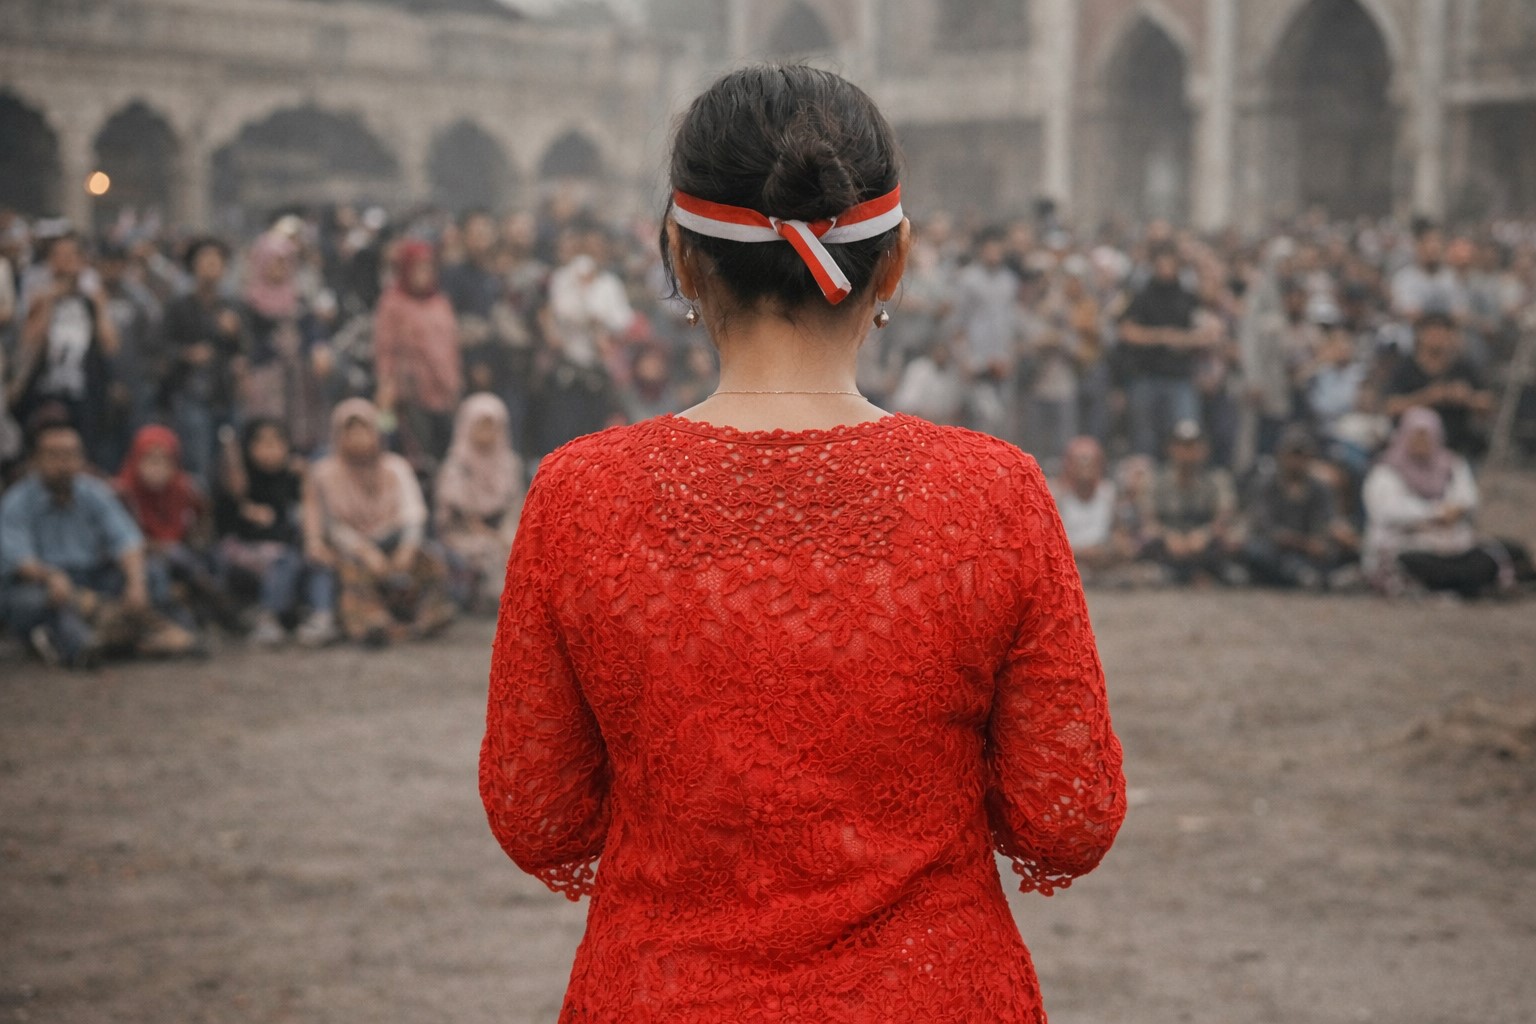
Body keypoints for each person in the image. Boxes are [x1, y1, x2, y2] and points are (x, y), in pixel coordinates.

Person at [481, 65, 1125, 1023]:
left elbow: (543, 815)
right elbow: (1065, 818)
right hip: (932, 992)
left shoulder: (581, 494)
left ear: (679, 258)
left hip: (661, 994)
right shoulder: (992, 494)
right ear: (896, 262)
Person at [0, 421, 196, 667]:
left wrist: (136, 583)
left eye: (71, 455)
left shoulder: (93, 492)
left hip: (92, 578)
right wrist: (49, 576)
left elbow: (127, 539)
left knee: (151, 573)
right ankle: (94, 643)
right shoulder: (16, 502)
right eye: (54, 456)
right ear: (35, 460)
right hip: (45, 581)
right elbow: (18, 559)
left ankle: (102, 636)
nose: (64, 464)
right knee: (36, 601)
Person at [302, 399, 455, 646]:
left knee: (431, 557)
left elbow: (413, 511)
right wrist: (365, 551)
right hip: (350, 546)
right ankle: (372, 622)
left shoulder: (395, 466)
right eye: (351, 433)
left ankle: (428, 617)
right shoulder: (324, 473)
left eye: (365, 431)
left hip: (394, 538)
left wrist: (407, 547)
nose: (359, 439)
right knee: (352, 569)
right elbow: (332, 525)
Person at [1361, 407, 1529, 598]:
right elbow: (1387, 511)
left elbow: (1468, 497)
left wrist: (1455, 510)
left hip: (1450, 544)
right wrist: (1435, 513)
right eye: (1417, 435)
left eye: (1426, 435)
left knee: (1489, 556)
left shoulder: (1450, 463)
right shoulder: (1386, 469)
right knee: (1416, 563)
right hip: (1407, 543)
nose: (1421, 442)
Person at [5, 233, 119, 469]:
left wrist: (98, 307)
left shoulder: (92, 300)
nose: (65, 262)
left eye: (71, 256)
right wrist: (49, 301)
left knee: (85, 453)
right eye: (59, 256)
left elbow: (110, 344)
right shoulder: (41, 298)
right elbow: (29, 341)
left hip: (83, 390)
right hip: (46, 389)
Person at [213, 419, 326, 647]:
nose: (269, 451)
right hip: (241, 552)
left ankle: (321, 617)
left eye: (276, 443)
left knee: (314, 561)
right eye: (262, 444)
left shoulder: (293, 479)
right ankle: (269, 619)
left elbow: (305, 519)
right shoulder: (239, 479)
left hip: (284, 553)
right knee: (286, 560)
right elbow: (227, 524)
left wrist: (306, 481)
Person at [113, 425, 232, 631]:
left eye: (164, 461)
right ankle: (189, 612)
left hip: (182, 555)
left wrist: (199, 524)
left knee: (215, 555)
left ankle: (215, 611)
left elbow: (201, 528)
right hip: (144, 558)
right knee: (171, 560)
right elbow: (123, 542)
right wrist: (161, 547)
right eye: (149, 460)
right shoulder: (123, 493)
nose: (156, 468)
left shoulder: (186, 488)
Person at [159, 237, 247, 486]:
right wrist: (187, 354)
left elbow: (245, 349)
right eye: (205, 260)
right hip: (190, 393)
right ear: (193, 266)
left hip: (226, 393)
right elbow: (159, 348)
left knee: (230, 463)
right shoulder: (179, 305)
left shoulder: (233, 305)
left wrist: (235, 336)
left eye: (216, 261)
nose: (211, 266)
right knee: (196, 463)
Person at [372, 239, 462, 473]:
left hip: (444, 389)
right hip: (411, 392)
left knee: (446, 449)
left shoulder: (441, 302)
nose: (424, 274)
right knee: (417, 452)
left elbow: (451, 346)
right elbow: (385, 348)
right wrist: (386, 384)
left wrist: (455, 382)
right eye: (418, 267)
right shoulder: (393, 302)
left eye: (429, 267)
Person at [1118, 242, 1212, 456]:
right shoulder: (1142, 296)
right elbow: (1127, 331)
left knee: (1185, 435)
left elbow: (1206, 333)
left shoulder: (1188, 296)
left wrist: (1181, 339)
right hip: (1147, 376)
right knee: (1144, 439)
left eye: (1170, 263)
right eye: (1161, 263)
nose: (1166, 268)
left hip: (1180, 377)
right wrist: (1160, 336)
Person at [435, 393, 524, 611]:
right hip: (465, 533)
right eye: (480, 426)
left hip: (502, 529)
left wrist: (507, 534)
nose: (487, 433)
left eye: (492, 426)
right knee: (490, 551)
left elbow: (516, 506)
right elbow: (458, 515)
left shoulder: (510, 463)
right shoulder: (458, 464)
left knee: (521, 548)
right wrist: (493, 536)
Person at [1241, 426, 1355, 590]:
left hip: (1309, 552)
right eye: (1292, 455)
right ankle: (1309, 577)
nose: (1296, 462)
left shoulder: (1320, 488)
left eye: (1301, 456)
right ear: (1280, 455)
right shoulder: (1266, 485)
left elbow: (1327, 521)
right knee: (1256, 550)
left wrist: (1332, 537)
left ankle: (1313, 577)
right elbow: (1268, 529)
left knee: (1337, 549)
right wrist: (1305, 543)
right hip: (1278, 550)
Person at [1383, 313, 1493, 460]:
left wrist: (1467, 398)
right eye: (1433, 332)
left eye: (1444, 332)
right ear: (1420, 335)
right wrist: (1427, 397)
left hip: (1456, 447)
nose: (1438, 337)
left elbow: (1488, 403)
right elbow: (1391, 407)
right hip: (1412, 451)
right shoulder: (1405, 368)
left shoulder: (1463, 367)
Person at [1143, 419, 1240, 584]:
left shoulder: (1217, 479)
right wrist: (1168, 536)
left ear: (1204, 449)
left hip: (1203, 544)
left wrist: (1205, 534)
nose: (1188, 452)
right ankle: (1187, 575)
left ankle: (1195, 574)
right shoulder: (1155, 481)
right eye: (1182, 446)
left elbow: (1225, 517)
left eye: (1193, 446)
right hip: (1170, 545)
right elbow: (1147, 519)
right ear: (1171, 448)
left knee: (1230, 541)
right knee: (1147, 541)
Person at [1051, 435, 1118, 573]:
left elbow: (1120, 536)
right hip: (1066, 564)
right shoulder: (1056, 496)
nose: (1085, 467)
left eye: (1090, 461)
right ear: (1068, 464)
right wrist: (1080, 552)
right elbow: (1049, 542)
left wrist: (1106, 550)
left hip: (1104, 563)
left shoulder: (1109, 494)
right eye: (1080, 461)